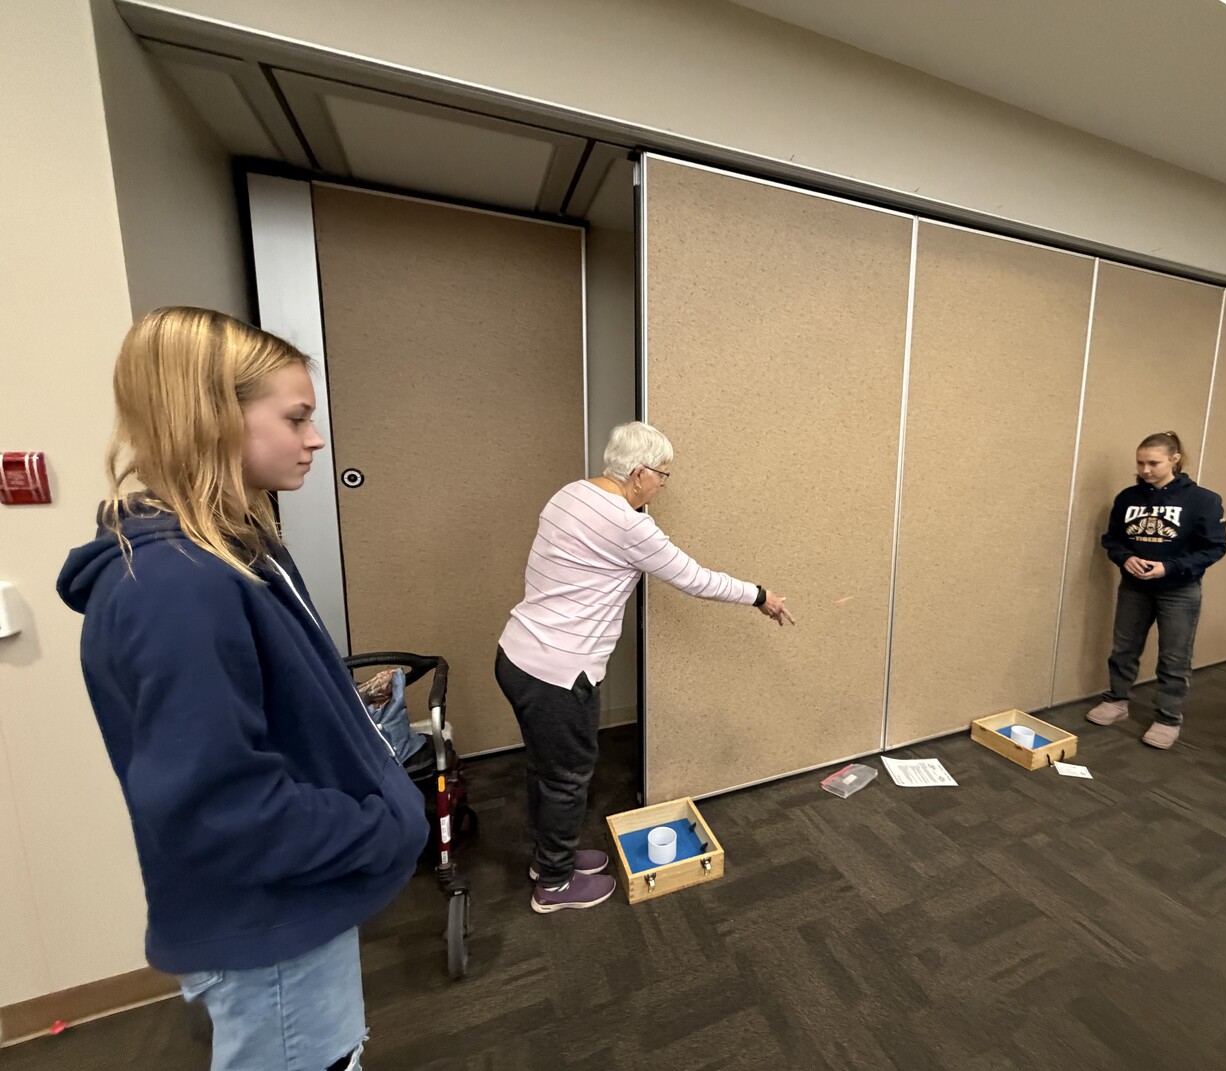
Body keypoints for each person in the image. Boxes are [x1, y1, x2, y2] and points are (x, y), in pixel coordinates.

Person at [56, 308, 427, 1071]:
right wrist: (383, 828)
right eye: (295, 418)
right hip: (270, 919)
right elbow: (222, 810)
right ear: (213, 417)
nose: (314, 439)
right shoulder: (176, 586)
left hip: (295, 902)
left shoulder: (236, 551)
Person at [496, 421, 794, 912]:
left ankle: (550, 858)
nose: (662, 485)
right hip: (557, 673)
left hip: (517, 655)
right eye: (662, 475)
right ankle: (554, 885)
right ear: (638, 473)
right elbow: (696, 579)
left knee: (547, 769)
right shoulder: (628, 524)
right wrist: (761, 595)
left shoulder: (570, 494)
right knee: (567, 777)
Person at [1085, 431, 1226, 749]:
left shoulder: (1203, 500)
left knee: (1174, 657)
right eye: (1140, 463)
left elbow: (1215, 548)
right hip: (1134, 588)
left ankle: (1168, 718)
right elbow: (1112, 539)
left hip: (1179, 590)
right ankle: (1117, 700)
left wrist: (1170, 567)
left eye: (1153, 463)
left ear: (1174, 460)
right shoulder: (1127, 498)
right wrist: (1125, 557)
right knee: (1124, 649)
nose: (1145, 470)